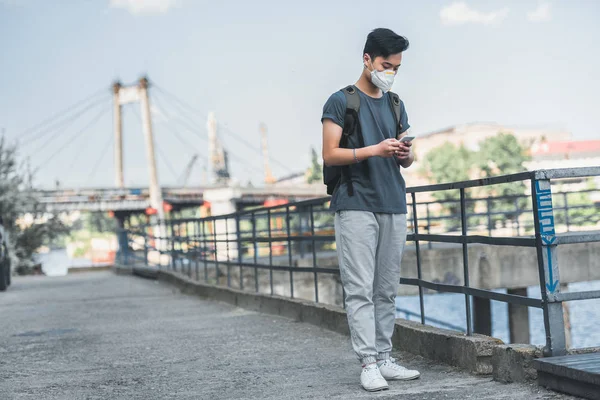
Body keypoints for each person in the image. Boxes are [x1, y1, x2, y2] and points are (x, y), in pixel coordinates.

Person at [321, 28, 420, 392]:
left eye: (396, 67)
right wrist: (373, 149)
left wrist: (406, 154)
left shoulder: (395, 103)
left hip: (393, 202)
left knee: (386, 289)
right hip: (356, 203)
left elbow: (407, 161)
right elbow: (330, 153)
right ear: (367, 59)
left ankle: (385, 357)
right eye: (385, 65)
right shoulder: (340, 101)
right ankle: (368, 363)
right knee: (359, 288)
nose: (391, 72)